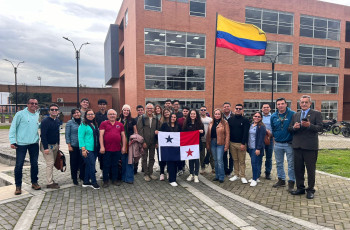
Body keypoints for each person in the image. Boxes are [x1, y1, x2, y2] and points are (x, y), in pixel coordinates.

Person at [288, 95, 322, 199]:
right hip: (297, 146)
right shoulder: (295, 115)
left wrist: (309, 125)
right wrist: (294, 127)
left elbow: (320, 128)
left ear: (310, 103)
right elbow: (289, 128)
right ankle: (300, 188)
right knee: (298, 169)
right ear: (299, 103)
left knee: (310, 170)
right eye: (302, 102)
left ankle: (310, 190)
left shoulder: (316, 114)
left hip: (310, 147)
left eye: (306, 102)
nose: (303, 104)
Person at [9, 98, 41, 195]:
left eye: (36, 103)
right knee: (19, 165)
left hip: (34, 143)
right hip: (21, 144)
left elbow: (38, 125)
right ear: (27, 104)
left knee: (34, 164)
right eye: (32, 103)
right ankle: (18, 186)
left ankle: (34, 182)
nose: (34, 105)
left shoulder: (37, 115)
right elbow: (13, 127)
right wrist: (12, 141)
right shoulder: (20, 114)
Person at [271, 97, 296, 192]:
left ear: (286, 104)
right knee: (279, 163)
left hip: (289, 143)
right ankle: (281, 180)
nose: (280, 106)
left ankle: (291, 182)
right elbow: (273, 129)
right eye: (278, 104)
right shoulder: (273, 116)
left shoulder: (292, 114)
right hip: (277, 144)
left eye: (282, 104)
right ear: (276, 106)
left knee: (291, 164)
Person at [99, 109, 126, 188]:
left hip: (117, 148)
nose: (112, 116)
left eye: (114, 114)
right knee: (106, 165)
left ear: (116, 115)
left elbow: (123, 136)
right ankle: (105, 181)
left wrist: (123, 147)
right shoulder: (103, 123)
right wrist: (102, 147)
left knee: (115, 165)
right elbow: (101, 135)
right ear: (107, 116)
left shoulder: (120, 124)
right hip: (106, 149)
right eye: (110, 114)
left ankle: (114, 179)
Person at [157, 113, 182, 186]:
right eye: (172, 117)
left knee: (175, 163)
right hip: (167, 147)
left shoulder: (178, 125)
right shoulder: (165, 125)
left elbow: (182, 134)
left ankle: (174, 178)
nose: (173, 118)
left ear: (176, 118)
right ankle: (171, 180)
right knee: (170, 162)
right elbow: (160, 132)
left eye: (174, 117)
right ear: (170, 117)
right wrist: (157, 133)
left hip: (176, 148)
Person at [137, 103, 160, 181]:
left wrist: (156, 141)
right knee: (144, 158)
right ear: (146, 109)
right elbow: (140, 131)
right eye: (148, 108)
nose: (150, 110)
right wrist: (142, 142)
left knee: (152, 158)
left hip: (153, 142)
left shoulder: (156, 118)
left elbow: (157, 130)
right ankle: (146, 174)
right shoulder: (142, 118)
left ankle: (151, 173)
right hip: (145, 142)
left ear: (153, 109)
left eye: (151, 108)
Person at [78, 109, 100, 189]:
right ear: (86, 116)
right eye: (88, 114)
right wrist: (83, 149)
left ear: (94, 115)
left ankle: (86, 181)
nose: (90, 116)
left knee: (88, 165)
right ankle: (94, 182)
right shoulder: (83, 125)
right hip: (87, 149)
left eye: (92, 114)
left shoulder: (94, 124)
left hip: (94, 148)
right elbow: (80, 137)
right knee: (91, 165)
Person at [40, 103, 61, 189]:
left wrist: (58, 144)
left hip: (55, 145)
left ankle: (51, 180)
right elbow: (43, 135)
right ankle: (49, 182)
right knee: (50, 163)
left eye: (56, 109)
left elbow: (57, 133)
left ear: (58, 111)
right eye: (52, 109)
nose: (54, 111)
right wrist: (45, 148)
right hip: (47, 145)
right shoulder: (45, 121)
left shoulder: (57, 120)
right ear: (49, 111)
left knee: (52, 163)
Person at [206, 109, 229, 183]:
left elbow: (227, 134)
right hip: (212, 142)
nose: (217, 115)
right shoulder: (211, 123)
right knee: (215, 160)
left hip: (220, 143)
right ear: (213, 115)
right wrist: (208, 144)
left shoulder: (225, 123)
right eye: (216, 114)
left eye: (218, 114)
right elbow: (208, 134)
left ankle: (221, 176)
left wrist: (226, 145)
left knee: (219, 160)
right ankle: (217, 175)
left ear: (221, 115)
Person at [228, 104, 249, 184]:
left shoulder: (245, 120)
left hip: (241, 144)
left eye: (240, 109)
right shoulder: (230, 119)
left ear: (242, 110)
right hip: (232, 143)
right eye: (237, 108)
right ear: (234, 109)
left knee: (242, 161)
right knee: (235, 160)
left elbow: (245, 133)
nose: (238, 110)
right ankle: (236, 174)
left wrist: (243, 143)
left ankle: (242, 176)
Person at [183, 109, 204, 183]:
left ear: (196, 115)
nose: (192, 115)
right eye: (191, 114)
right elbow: (184, 133)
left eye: (194, 114)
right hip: (189, 145)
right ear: (189, 115)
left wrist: (201, 132)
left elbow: (203, 134)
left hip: (197, 144)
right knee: (190, 159)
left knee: (196, 160)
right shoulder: (186, 123)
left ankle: (196, 175)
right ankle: (191, 173)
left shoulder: (200, 124)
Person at [119, 104, 137, 184]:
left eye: (127, 110)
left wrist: (134, 139)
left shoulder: (132, 120)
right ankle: (122, 177)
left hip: (130, 143)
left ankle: (129, 178)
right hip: (120, 143)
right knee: (122, 160)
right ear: (122, 111)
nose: (126, 112)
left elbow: (135, 131)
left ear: (129, 111)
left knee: (129, 161)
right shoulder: (118, 120)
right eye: (124, 110)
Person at [65, 108, 85, 185]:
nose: (77, 114)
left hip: (82, 146)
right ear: (72, 114)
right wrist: (69, 145)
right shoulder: (70, 123)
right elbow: (67, 135)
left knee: (82, 162)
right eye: (75, 113)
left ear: (80, 113)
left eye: (78, 112)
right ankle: (74, 178)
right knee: (74, 163)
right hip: (74, 146)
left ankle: (82, 176)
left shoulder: (83, 121)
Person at [247, 112, 266, 187]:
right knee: (256, 163)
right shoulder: (251, 125)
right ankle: (256, 177)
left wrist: (258, 148)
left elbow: (261, 139)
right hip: (250, 147)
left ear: (261, 118)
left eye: (259, 117)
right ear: (253, 117)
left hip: (256, 147)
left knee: (254, 163)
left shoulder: (261, 127)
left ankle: (254, 179)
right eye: (255, 116)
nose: (257, 118)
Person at [95, 99, 108, 179]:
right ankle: (102, 171)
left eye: (104, 104)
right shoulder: (95, 115)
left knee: (108, 155)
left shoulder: (109, 114)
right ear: (98, 105)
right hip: (99, 138)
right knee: (101, 156)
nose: (102, 106)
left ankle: (108, 171)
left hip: (108, 138)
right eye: (100, 104)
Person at [199, 106, 214, 174]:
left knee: (211, 154)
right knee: (202, 155)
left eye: (204, 110)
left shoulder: (210, 119)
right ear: (200, 111)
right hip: (201, 140)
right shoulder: (198, 119)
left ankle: (213, 167)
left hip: (209, 140)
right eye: (201, 110)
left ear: (206, 110)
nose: (203, 111)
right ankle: (202, 168)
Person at [158, 108, 171, 180]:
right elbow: (159, 132)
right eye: (165, 112)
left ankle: (169, 172)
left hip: (171, 144)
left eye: (168, 112)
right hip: (163, 143)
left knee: (169, 158)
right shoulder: (162, 122)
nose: (166, 113)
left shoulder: (173, 121)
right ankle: (162, 173)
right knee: (162, 158)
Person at [176, 106, 190, 175]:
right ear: (182, 112)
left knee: (186, 153)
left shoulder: (191, 119)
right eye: (184, 111)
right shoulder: (179, 120)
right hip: (180, 138)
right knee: (180, 153)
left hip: (189, 139)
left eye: (187, 111)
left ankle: (185, 166)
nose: (185, 112)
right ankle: (180, 167)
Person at [261, 103, 273, 180]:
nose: (266, 108)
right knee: (259, 157)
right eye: (264, 107)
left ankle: (267, 173)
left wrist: (271, 134)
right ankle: (258, 172)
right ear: (262, 108)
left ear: (270, 108)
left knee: (269, 157)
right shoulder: (258, 116)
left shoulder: (273, 117)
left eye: (267, 107)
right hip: (260, 140)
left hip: (270, 139)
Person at [223, 102, 234, 176]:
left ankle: (230, 170)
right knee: (224, 155)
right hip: (223, 139)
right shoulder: (220, 116)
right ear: (223, 108)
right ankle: (225, 170)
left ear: (230, 107)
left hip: (232, 138)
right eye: (225, 106)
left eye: (228, 106)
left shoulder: (234, 116)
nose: (226, 108)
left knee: (231, 156)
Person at [134, 105, 145, 174]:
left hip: (145, 138)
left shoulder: (146, 118)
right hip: (137, 139)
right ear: (137, 111)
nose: (140, 111)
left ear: (143, 110)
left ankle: (143, 168)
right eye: (139, 110)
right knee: (137, 154)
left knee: (144, 154)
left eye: (141, 110)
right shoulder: (135, 119)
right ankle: (135, 168)